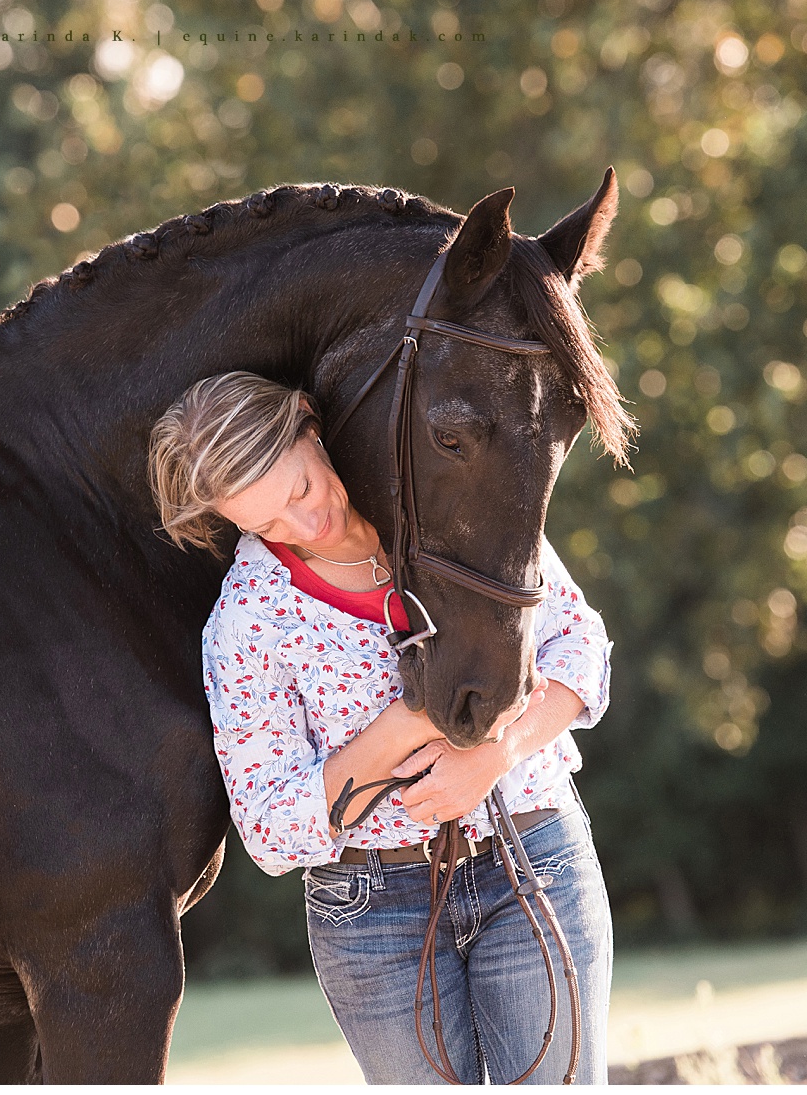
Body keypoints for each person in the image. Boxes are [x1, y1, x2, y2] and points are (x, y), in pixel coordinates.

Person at [147, 370, 614, 1085]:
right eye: (266, 523)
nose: (306, 526)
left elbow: (579, 647)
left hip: (534, 855)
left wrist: (495, 754)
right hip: (374, 918)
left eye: (301, 490)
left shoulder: (443, 507)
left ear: (309, 423)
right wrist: (408, 720)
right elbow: (270, 829)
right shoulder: (247, 621)